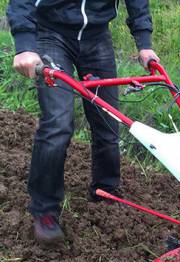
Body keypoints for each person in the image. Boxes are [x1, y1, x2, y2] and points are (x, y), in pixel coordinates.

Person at [7, 1, 159, 245]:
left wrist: (144, 43)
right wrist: (25, 45)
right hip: (51, 34)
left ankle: (106, 191)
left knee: (108, 121)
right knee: (58, 124)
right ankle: (44, 210)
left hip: (97, 36)